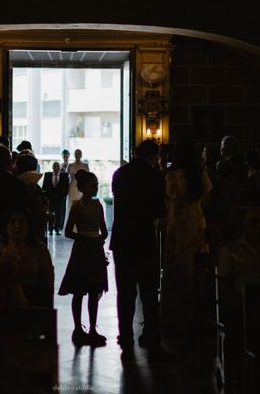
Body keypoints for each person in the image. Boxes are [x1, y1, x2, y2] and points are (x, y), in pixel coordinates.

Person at [111, 140, 167, 363]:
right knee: (149, 293)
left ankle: (125, 337)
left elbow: (117, 201)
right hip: (144, 238)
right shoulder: (154, 176)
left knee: (125, 293)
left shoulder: (120, 173)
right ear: (153, 156)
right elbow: (159, 210)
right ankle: (151, 337)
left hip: (123, 238)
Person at [160, 141, 212, 353]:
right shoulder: (199, 173)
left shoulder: (172, 175)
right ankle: (197, 319)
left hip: (177, 220)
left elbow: (167, 196)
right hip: (196, 220)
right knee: (197, 265)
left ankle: (176, 319)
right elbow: (207, 196)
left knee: (177, 265)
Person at [58, 170, 109, 347]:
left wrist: (95, 239)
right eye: (93, 185)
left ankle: (91, 328)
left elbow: (105, 231)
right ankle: (79, 328)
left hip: (89, 249)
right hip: (86, 249)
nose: (95, 188)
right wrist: (92, 239)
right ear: (84, 187)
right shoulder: (77, 206)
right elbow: (67, 231)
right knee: (80, 291)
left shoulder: (97, 205)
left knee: (92, 292)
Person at [4, 208, 54, 307]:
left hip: (34, 305)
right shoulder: (0, 250)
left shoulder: (40, 251)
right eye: (13, 222)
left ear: (29, 226)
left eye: (22, 222)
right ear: (6, 226)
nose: (17, 226)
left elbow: (48, 286)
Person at [42, 161, 69, 235]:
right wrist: (46, 197)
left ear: (60, 167)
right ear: (52, 167)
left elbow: (66, 187)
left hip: (59, 199)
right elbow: (44, 187)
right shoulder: (47, 175)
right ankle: (50, 229)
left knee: (59, 215)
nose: (56, 167)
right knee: (50, 214)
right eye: (55, 166)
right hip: (50, 199)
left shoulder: (64, 175)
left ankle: (57, 229)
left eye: (57, 166)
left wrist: (63, 196)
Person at [65, 149, 89, 224]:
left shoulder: (85, 165)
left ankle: (81, 223)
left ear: (81, 155)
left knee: (81, 205)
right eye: (76, 153)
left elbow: (88, 178)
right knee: (72, 205)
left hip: (82, 189)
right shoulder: (70, 165)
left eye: (79, 153)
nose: (78, 155)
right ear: (74, 154)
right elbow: (65, 178)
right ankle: (71, 224)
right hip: (72, 188)